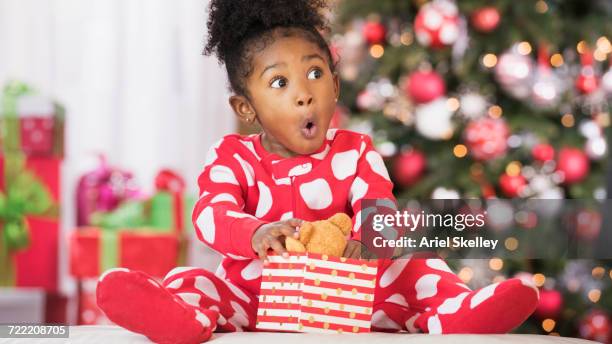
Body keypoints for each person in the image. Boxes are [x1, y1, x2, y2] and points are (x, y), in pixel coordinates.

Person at [96, 1, 539, 342]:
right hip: (259, 296)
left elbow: (378, 206)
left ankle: (458, 312)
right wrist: (255, 234)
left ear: (336, 83)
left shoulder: (356, 151)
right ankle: (180, 316)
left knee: (418, 267)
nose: (305, 94)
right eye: (279, 83)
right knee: (195, 280)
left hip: (351, 299)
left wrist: (366, 240)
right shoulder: (233, 156)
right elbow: (211, 213)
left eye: (314, 72)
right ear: (246, 108)